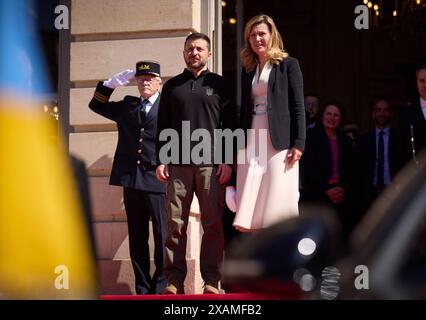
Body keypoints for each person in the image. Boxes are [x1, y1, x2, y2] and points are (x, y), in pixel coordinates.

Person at [155, 32, 237, 294]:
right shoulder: (171, 86)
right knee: (175, 223)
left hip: (211, 165)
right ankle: (174, 281)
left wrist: (227, 160)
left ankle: (212, 281)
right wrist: (162, 159)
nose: (195, 53)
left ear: (209, 54)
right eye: (190, 49)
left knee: (212, 224)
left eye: (200, 49)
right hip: (178, 163)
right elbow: (163, 125)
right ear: (184, 53)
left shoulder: (221, 85)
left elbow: (230, 125)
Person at [88, 61, 167, 295]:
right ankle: (142, 287)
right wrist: (108, 85)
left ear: (159, 82)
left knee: (162, 235)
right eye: (141, 79)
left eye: (150, 78)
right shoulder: (128, 105)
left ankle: (160, 286)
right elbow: (96, 105)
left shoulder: (168, 106)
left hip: (158, 179)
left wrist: (169, 161)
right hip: (131, 180)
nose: (145, 82)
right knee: (137, 237)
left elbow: (180, 136)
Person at [225, 14, 306, 232]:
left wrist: (299, 143)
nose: (257, 39)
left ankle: (280, 260)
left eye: (262, 34)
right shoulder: (248, 68)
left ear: (272, 36)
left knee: (275, 197)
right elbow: (243, 112)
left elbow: (298, 106)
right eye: (252, 35)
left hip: (279, 140)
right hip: (252, 138)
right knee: (254, 201)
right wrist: (236, 148)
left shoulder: (289, 64)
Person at [301, 102, 355, 238]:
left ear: (341, 118)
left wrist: (342, 188)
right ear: (322, 116)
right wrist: (327, 189)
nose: (332, 118)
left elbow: (352, 169)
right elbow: (309, 169)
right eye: (328, 114)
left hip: (341, 195)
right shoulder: (311, 137)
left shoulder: (346, 141)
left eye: (336, 115)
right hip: (318, 194)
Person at [355, 99, 404, 214]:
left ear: (391, 113)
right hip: (369, 195)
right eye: (378, 110)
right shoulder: (363, 140)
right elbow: (358, 169)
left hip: (394, 193)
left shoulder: (401, 139)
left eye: (386, 110)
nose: (382, 113)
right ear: (373, 114)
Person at [399, 64, 426, 164]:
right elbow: (402, 148)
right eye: (421, 81)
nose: (425, 85)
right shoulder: (407, 113)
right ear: (416, 82)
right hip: (415, 171)